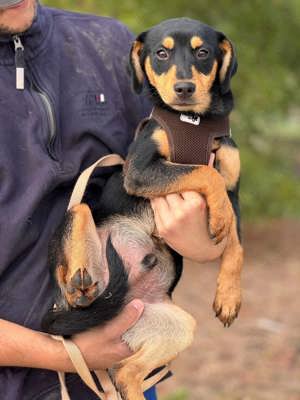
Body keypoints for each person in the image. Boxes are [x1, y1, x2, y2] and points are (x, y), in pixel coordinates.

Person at [0, 1, 226, 399]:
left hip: (122, 380)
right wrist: (67, 355)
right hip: (18, 383)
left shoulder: (109, 43)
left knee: (181, 327)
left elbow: (183, 182)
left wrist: (203, 241)